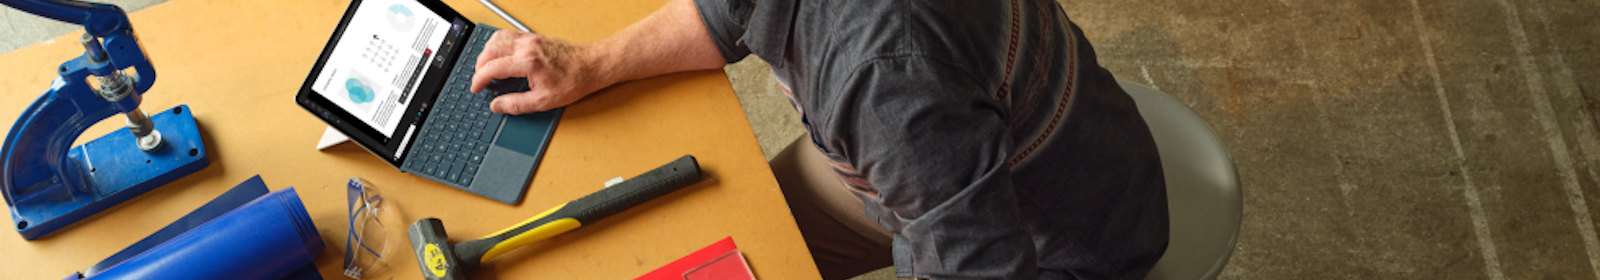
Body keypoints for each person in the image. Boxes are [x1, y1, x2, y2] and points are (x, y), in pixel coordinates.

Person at [469, 0, 1169, 278]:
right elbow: (726, 13)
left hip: (1056, 241)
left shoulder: (884, 81)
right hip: (940, 161)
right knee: (735, 237)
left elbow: (982, 271)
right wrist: (591, 64)